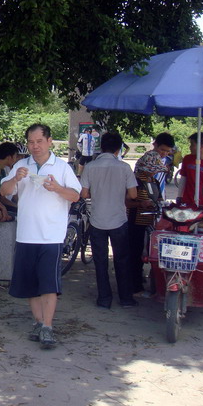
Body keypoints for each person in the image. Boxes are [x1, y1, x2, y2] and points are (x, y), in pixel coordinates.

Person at [0, 124, 81, 349]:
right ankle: (37, 322)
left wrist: (57, 188)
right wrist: (15, 179)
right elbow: (4, 191)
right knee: (31, 284)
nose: (35, 146)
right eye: (31, 142)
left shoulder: (62, 167)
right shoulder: (21, 165)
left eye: (39, 141)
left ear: (49, 141)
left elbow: (76, 195)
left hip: (51, 236)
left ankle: (48, 326)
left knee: (48, 284)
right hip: (26, 234)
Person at [80, 132, 139, 309]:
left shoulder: (90, 167)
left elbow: (84, 193)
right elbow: (133, 194)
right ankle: (126, 298)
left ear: (101, 146)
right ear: (118, 149)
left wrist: (97, 192)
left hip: (97, 220)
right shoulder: (124, 167)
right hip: (118, 220)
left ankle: (104, 299)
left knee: (100, 261)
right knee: (122, 260)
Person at [127, 132, 175, 294]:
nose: (154, 172)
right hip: (135, 222)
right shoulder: (136, 181)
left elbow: (158, 198)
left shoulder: (153, 181)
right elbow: (127, 202)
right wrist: (141, 203)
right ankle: (134, 285)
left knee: (146, 253)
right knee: (135, 254)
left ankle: (140, 280)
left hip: (149, 224)